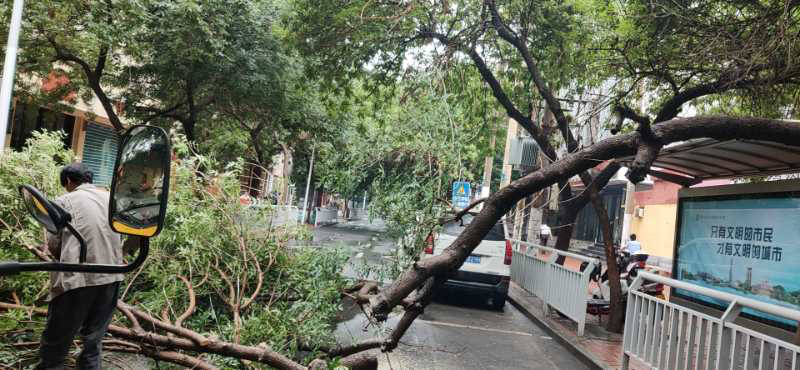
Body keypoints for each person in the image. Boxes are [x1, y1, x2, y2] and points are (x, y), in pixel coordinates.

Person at [37, 163, 124, 370]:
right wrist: (119, 255)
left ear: (68, 182)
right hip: (111, 278)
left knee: (55, 348)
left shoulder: (64, 201)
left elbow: (54, 245)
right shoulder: (111, 199)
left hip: (78, 280)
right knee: (93, 344)